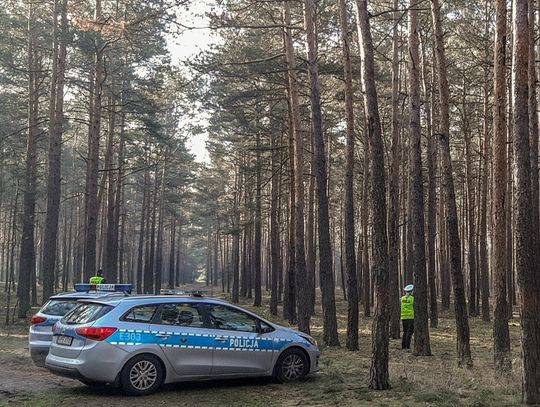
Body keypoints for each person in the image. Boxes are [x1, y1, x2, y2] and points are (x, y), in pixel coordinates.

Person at [401, 284, 414, 350]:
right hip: (410, 317)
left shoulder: (402, 298)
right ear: (411, 291)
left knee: (405, 332)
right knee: (410, 332)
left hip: (403, 317)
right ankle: (407, 346)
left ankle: (403, 346)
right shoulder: (412, 299)